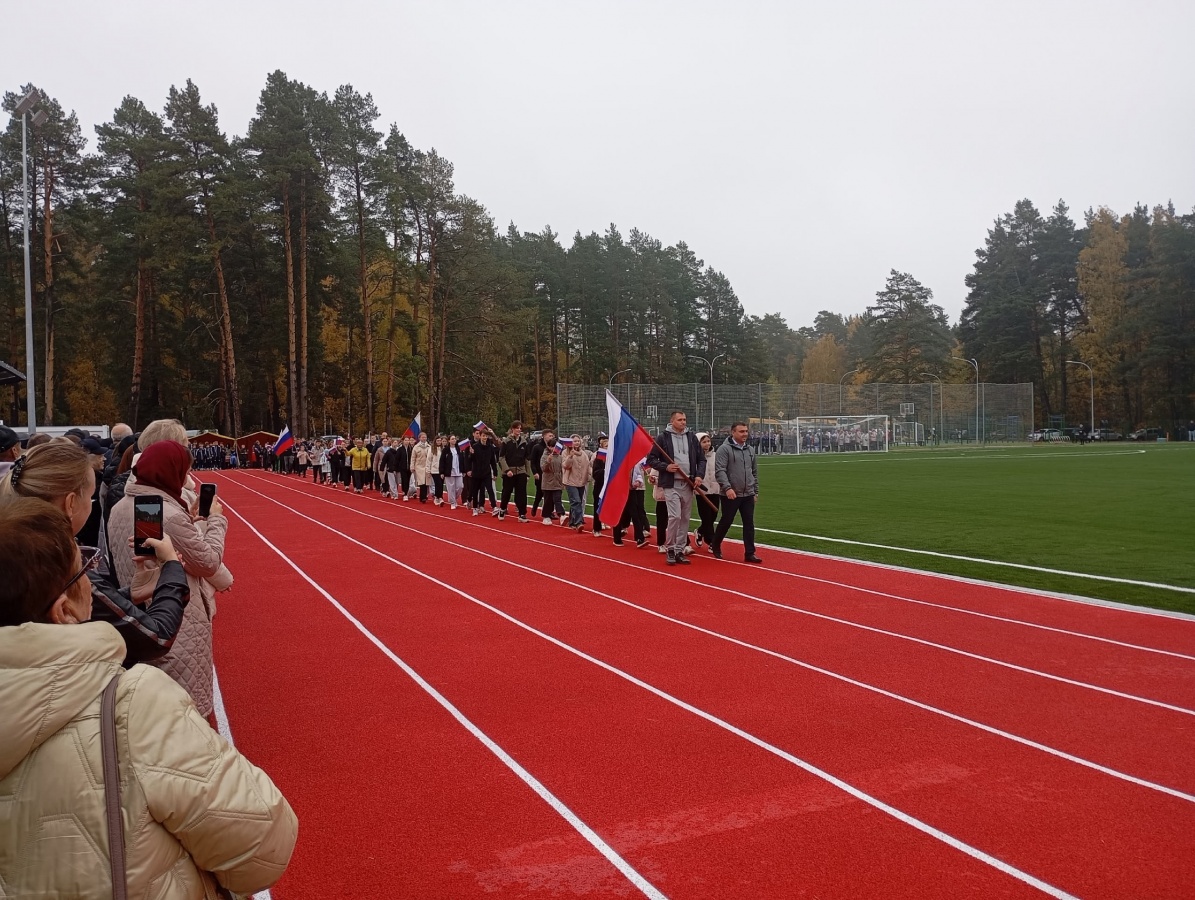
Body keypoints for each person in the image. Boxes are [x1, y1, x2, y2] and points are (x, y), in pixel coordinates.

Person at [0, 496, 298, 898]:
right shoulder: (134, 706)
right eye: (85, 570)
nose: (94, 581)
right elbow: (262, 846)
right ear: (64, 611)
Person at [0, 441, 191, 665]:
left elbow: (98, 605)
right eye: (90, 497)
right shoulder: (61, 564)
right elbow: (156, 637)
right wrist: (171, 566)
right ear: (71, 503)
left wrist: (127, 596)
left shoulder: (16, 551)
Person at [108, 441, 230, 720]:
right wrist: (216, 521)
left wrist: (190, 521)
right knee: (187, 713)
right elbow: (208, 562)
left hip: (140, 608)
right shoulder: (166, 512)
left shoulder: (124, 506)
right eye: (184, 471)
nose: (187, 478)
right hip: (177, 617)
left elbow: (154, 553)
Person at [646, 409, 705, 566]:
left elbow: (701, 459)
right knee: (675, 517)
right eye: (680, 420)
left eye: (684, 419)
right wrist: (666, 467)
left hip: (688, 483)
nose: (683, 422)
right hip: (671, 484)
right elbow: (651, 459)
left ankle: (680, 550)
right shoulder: (663, 438)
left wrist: (699, 475)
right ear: (672, 421)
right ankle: (670, 548)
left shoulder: (691, 437)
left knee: (685, 518)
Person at [711, 420, 763, 563]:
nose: (745, 434)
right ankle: (715, 544)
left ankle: (750, 553)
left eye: (746, 431)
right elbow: (720, 471)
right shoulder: (724, 449)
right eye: (741, 431)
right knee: (727, 521)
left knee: (749, 523)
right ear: (733, 432)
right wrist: (727, 488)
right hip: (731, 493)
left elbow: (754, 472)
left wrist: (755, 491)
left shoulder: (750, 450)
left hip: (748, 493)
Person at [611, 456, 650, 548]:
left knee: (635, 514)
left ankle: (640, 539)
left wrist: (638, 481)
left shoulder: (634, 460)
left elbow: (638, 473)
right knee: (619, 513)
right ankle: (617, 538)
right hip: (619, 490)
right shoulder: (618, 459)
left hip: (631, 490)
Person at [497, 421, 531, 522]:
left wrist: (527, 473)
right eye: (517, 428)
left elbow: (527, 459)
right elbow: (501, 457)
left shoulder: (524, 442)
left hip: (521, 471)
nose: (519, 430)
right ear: (512, 429)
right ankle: (502, 508)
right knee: (507, 492)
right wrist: (507, 470)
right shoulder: (506, 442)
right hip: (509, 472)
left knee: (522, 493)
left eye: (520, 428)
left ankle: (522, 514)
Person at [693, 432, 721, 550]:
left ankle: (700, 531)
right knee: (706, 517)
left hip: (715, 489)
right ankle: (711, 542)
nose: (707, 444)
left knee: (713, 515)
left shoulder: (716, 456)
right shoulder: (694, 457)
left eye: (708, 441)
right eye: (704, 442)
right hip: (702, 491)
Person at [561, 434, 593, 532]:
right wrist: (570, 456)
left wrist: (589, 476)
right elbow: (565, 466)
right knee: (576, 501)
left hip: (581, 482)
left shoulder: (583, 454)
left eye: (578, 441)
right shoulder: (565, 453)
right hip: (570, 481)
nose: (577, 443)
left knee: (575, 502)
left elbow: (588, 466)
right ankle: (579, 522)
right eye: (574, 441)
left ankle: (572, 522)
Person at [537, 430, 566, 525]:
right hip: (548, 482)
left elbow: (562, 469)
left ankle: (562, 514)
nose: (555, 449)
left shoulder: (560, 457)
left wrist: (563, 481)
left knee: (557, 499)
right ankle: (546, 516)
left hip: (557, 482)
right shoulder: (545, 456)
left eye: (556, 447)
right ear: (549, 447)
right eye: (553, 446)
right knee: (548, 501)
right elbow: (543, 468)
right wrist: (548, 461)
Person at [469, 430, 499, 515]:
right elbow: (471, 460)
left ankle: (494, 507)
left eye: (486, 436)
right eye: (483, 436)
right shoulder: (475, 447)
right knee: (475, 491)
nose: (485, 438)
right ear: (480, 436)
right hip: (477, 473)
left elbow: (493, 461)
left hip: (486, 472)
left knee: (490, 490)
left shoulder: (490, 447)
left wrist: (495, 473)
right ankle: (475, 508)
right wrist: (471, 454)